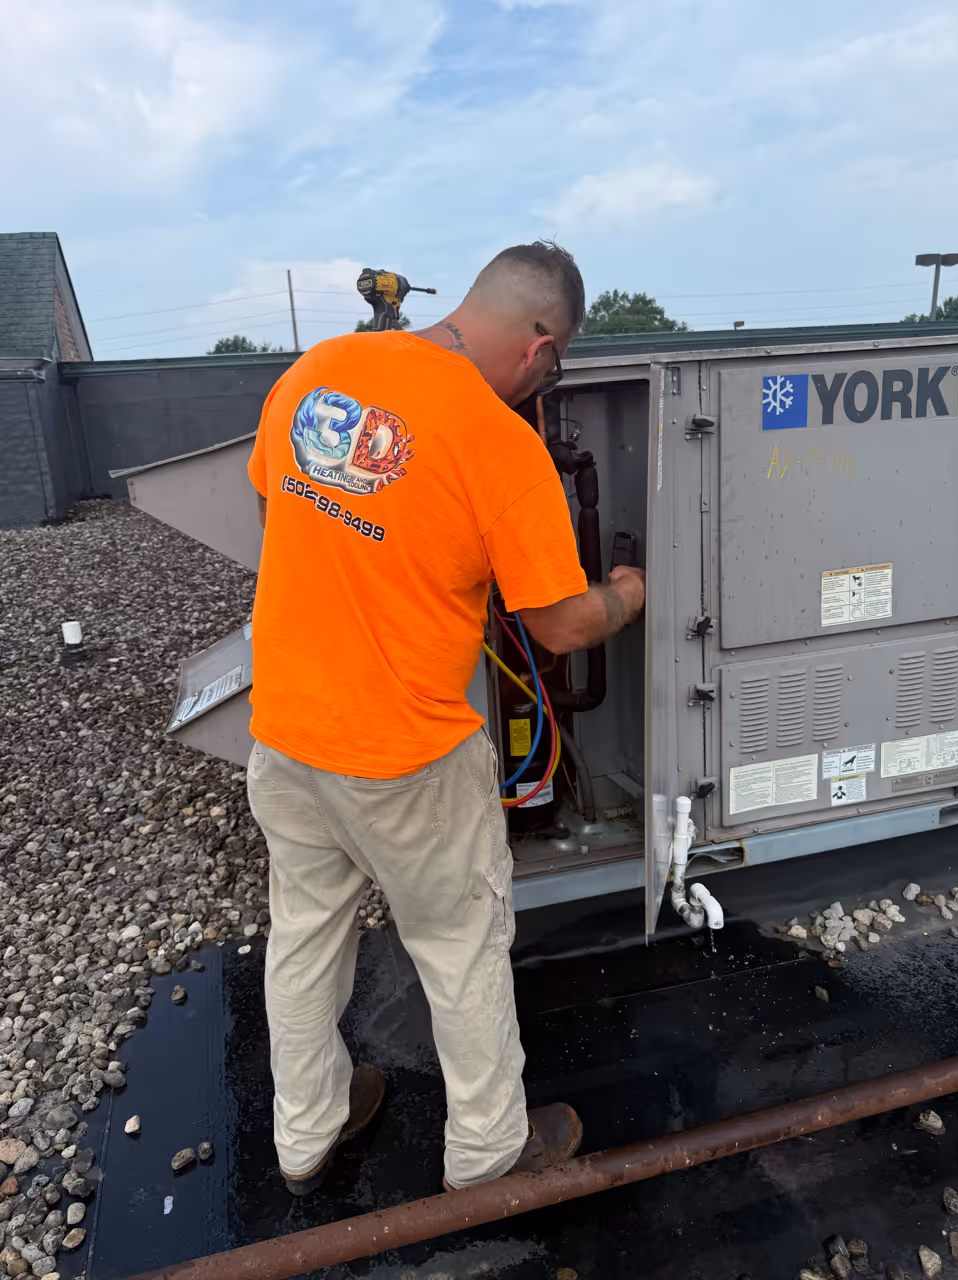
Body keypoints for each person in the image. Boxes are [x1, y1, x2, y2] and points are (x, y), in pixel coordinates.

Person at [245, 240, 647, 1196]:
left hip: (286, 735)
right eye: (554, 366)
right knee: (461, 946)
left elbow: (280, 506)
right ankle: (488, 1152)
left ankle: (305, 1138)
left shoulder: (318, 372)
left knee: (305, 936)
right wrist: (627, 594)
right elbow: (555, 626)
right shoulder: (500, 442)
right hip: (407, 759)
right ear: (541, 350)